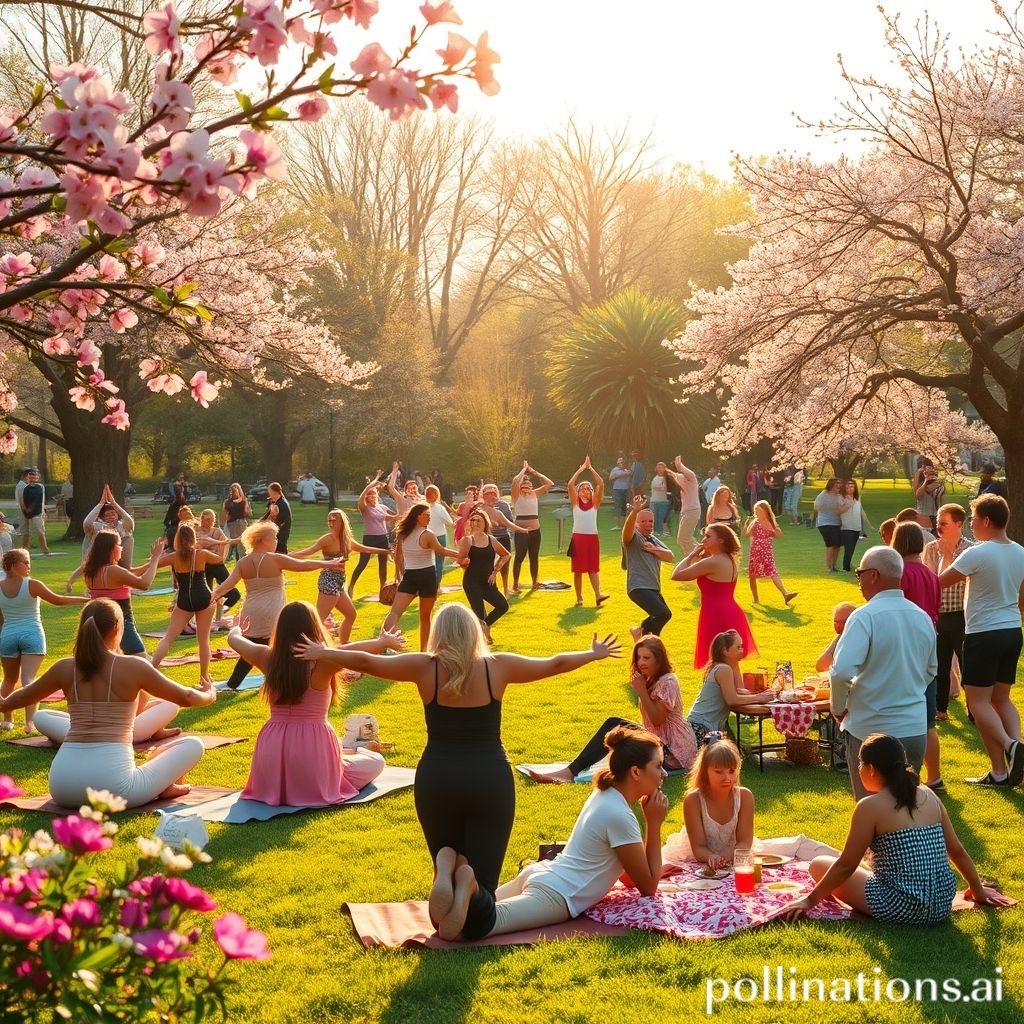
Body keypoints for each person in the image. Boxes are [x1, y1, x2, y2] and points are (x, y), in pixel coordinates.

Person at [292, 602, 623, 941]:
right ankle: (470, 882)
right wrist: (592, 653)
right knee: (482, 908)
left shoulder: (424, 667)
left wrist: (324, 651)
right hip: (489, 779)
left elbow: (367, 662)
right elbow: (554, 663)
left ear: (438, 633)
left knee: (444, 883)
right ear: (474, 632)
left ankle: (446, 864)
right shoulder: (498, 667)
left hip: (437, 779)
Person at [430, 725, 668, 941]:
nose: (664, 774)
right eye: (658, 766)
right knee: (485, 923)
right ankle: (468, 885)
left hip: (544, 873)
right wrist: (654, 824)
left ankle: (454, 875)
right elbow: (647, 886)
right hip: (556, 895)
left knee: (449, 920)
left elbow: (628, 877)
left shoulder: (605, 794)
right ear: (635, 772)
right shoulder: (620, 815)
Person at [0, 600, 216, 807]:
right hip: (114, 790)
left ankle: (161, 785)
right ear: (117, 628)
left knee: (47, 716)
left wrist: (3, 703)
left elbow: (17, 699)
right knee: (193, 744)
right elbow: (186, 697)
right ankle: (161, 785)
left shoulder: (64, 667)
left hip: (62, 786)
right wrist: (210, 695)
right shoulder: (134, 666)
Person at [781, 734, 1009, 924]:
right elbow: (956, 850)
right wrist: (977, 890)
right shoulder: (928, 795)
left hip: (900, 906)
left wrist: (809, 901)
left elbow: (846, 865)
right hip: (941, 905)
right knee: (863, 867)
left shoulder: (869, 806)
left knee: (820, 863)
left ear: (870, 769)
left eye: (860, 764)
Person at [226, 601, 396, 805]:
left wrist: (237, 627)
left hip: (272, 746)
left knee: (351, 761)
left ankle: (349, 752)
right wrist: (382, 642)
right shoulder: (324, 661)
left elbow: (234, 639)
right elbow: (354, 653)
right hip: (313, 747)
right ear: (314, 626)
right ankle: (355, 750)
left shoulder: (266, 657)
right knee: (376, 762)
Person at [830, 546, 936, 799]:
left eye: (859, 573)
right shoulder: (921, 616)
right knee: (906, 810)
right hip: (913, 727)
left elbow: (841, 671)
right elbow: (931, 669)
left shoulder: (864, 616)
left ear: (874, 575)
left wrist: (837, 707)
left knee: (872, 810)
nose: (858, 581)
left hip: (871, 729)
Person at [528, 634, 698, 782]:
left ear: (659, 660)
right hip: (658, 739)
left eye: (647, 658)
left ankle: (569, 772)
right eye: (638, 658)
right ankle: (571, 771)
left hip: (673, 750)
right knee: (617, 728)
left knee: (614, 724)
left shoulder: (668, 682)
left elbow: (657, 719)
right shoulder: (650, 678)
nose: (641, 663)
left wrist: (641, 691)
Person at [939, 494, 1024, 787]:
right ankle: (1001, 771)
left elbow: (939, 583)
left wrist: (948, 552)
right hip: (1012, 631)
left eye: (973, 519)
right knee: (1001, 699)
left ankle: (1012, 747)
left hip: (983, 634)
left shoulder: (977, 552)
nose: (971, 525)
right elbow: (1022, 600)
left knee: (977, 703)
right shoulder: (1020, 552)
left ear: (987, 520)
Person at [210, 521, 344, 690]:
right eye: (274, 538)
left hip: (250, 613)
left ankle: (234, 683)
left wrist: (213, 595)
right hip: (273, 613)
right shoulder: (274, 559)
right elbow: (305, 565)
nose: (276, 541)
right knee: (279, 647)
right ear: (262, 540)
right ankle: (293, 679)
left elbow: (227, 585)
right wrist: (328, 564)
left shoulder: (243, 562)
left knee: (253, 648)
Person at [0, 549, 88, 733]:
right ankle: (30, 722)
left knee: (9, 679)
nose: (29, 565)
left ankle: (7, 720)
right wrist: (85, 600)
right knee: (28, 679)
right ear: (13, 566)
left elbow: (1, 619)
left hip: (7, 636)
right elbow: (58, 600)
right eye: (25, 562)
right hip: (32, 634)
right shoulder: (32, 584)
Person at [891, 522, 943, 792]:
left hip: (906, 645)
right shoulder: (931, 574)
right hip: (929, 641)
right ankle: (935, 777)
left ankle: (905, 774)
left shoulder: (900, 574)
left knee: (904, 713)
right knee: (928, 717)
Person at [673, 524, 759, 669]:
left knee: (717, 661)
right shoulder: (729, 559)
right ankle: (733, 690)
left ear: (721, 540)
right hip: (730, 611)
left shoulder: (712, 562)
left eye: (708, 536)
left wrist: (692, 554)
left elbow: (677, 575)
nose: (703, 540)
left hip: (716, 614)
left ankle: (722, 690)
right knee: (730, 663)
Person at [292, 509, 382, 643]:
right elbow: (308, 551)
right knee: (318, 619)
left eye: (334, 520)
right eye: (330, 520)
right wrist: (287, 556)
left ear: (341, 522)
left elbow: (365, 549)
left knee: (351, 614)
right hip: (329, 580)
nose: (331, 522)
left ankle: (344, 644)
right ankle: (301, 644)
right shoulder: (327, 539)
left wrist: (386, 551)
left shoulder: (346, 540)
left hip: (339, 581)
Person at [662, 736, 753, 868]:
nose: (727, 777)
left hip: (735, 855)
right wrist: (711, 857)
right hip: (698, 857)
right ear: (705, 772)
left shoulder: (745, 796)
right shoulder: (693, 801)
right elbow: (698, 847)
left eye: (731, 771)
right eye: (718, 772)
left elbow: (744, 842)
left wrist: (723, 858)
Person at [150, 522, 224, 685]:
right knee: (203, 641)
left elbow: (147, 567)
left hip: (184, 600)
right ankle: (204, 678)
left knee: (169, 638)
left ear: (177, 539)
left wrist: (130, 570)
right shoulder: (201, 554)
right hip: (203, 597)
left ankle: (151, 669)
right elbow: (221, 559)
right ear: (193, 538)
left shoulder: (172, 557)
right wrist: (219, 543)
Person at [70, 531, 164, 657]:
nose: (122, 548)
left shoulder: (91, 570)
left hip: (99, 621)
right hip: (119, 622)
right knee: (142, 660)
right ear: (111, 549)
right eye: (119, 544)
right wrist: (155, 560)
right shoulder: (112, 570)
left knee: (113, 660)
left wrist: (152, 563)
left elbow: (129, 576)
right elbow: (144, 584)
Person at [381, 502, 460, 650]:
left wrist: (400, 574)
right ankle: (423, 651)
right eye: (426, 515)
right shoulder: (427, 534)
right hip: (427, 576)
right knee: (424, 617)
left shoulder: (403, 533)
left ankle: (383, 645)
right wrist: (462, 555)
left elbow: (398, 556)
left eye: (429, 515)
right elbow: (442, 551)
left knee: (395, 612)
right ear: (417, 516)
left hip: (410, 576)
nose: (429, 518)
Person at [923, 503, 973, 721]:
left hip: (962, 615)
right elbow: (929, 583)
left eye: (944, 523)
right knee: (939, 665)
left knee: (966, 665)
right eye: (937, 523)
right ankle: (940, 709)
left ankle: (974, 712)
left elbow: (962, 582)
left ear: (959, 524)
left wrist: (948, 556)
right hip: (938, 615)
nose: (939, 528)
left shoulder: (971, 550)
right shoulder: (931, 549)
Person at [685, 629, 777, 744]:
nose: (742, 651)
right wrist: (760, 697)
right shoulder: (723, 669)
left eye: (742, 647)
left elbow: (738, 691)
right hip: (701, 729)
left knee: (730, 750)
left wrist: (757, 694)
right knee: (726, 752)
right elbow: (732, 700)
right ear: (725, 651)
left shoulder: (721, 667)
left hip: (705, 727)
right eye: (738, 647)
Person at [621, 496, 674, 640]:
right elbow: (626, 531)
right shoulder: (634, 537)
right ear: (637, 524)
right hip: (638, 586)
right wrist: (634, 511)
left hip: (654, 587)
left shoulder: (654, 540)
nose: (648, 524)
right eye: (643, 521)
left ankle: (645, 638)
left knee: (663, 615)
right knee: (662, 613)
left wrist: (653, 549)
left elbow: (670, 556)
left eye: (650, 521)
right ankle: (643, 636)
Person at [815, 602, 858, 771]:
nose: (838, 626)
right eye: (835, 622)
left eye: (843, 622)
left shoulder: (858, 639)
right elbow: (820, 665)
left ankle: (842, 756)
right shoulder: (841, 638)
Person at [456, 509, 510, 643]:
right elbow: (460, 561)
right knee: (479, 613)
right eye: (472, 520)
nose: (475, 522)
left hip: (488, 582)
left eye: (478, 520)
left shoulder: (491, 540)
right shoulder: (467, 540)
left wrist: (495, 571)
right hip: (471, 582)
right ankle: (482, 637)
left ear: (485, 523)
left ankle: (483, 627)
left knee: (503, 606)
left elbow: (506, 555)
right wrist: (464, 562)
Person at [567, 457, 608, 607]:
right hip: (578, 538)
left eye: (589, 488)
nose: (586, 490)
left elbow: (601, 483)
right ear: (578, 492)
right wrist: (581, 469)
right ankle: (579, 598)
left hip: (592, 538)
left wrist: (590, 469)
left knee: (593, 568)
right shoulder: (575, 502)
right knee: (578, 570)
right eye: (583, 488)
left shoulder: (595, 503)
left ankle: (598, 595)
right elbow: (570, 484)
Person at [742, 500, 797, 605]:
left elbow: (780, 535)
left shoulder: (771, 522)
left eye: (759, 511)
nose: (757, 513)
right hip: (756, 551)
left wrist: (773, 528)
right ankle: (756, 598)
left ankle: (785, 594)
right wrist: (746, 524)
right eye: (756, 511)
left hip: (767, 551)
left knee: (772, 571)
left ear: (765, 511)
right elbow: (745, 534)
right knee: (753, 574)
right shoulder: (755, 522)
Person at [510, 461, 553, 592]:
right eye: (525, 485)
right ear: (520, 487)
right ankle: (515, 584)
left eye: (530, 486)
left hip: (535, 530)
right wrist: (524, 470)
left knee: (534, 556)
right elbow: (515, 481)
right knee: (520, 556)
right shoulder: (516, 496)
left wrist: (534, 472)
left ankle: (535, 582)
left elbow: (549, 483)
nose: (528, 488)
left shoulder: (534, 494)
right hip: (521, 530)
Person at [348, 473, 392, 598]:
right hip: (370, 539)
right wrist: (376, 479)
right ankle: (351, 586)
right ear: (366, 497)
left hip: (383, 538)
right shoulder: (365, 507)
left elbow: (390, 517)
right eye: (370, 494)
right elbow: (362, 496)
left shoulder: (381, 507)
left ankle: (382, 591)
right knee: (362, 564)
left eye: (374, 493)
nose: (372, 495)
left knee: (383, 566)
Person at [195, 509, 240, 629]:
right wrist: (218, 543)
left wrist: (223, 549)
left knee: (235, 594)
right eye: (208, 519)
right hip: (203, 567)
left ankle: (219, 615)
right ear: (202, 519)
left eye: (213, 519)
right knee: (206, 597)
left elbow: (226, 542)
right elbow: (202, 542)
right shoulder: (196, 531)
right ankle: (204, 621)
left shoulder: (217, 531)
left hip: (217, 565)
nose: (210, 522)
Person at [479, 483, 526, 596]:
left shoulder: (503, 506)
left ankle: (505, 590)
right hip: (488, 539)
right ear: (484, 495)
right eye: (488, 492)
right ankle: (488, 589)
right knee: (487, 565)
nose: (491, 495)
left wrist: (499, 523)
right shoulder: (480, 508)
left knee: (505, 565)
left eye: (493, 492)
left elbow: (509, 522)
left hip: (503, 537)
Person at [82, 485, 136, 568]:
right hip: (99, 564)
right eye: (107, 515)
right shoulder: (99, 527)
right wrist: (101, 504)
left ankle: (125, 570)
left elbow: (130, 524)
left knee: (129, 538)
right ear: (102, 518)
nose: (111, 516)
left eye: (113, 514)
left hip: (119, 563)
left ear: (117, 515)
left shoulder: (121, 525)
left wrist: (114, 503)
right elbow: (87, 523)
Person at [813, 478, 850, 572]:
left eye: (839, 485)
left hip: (837, 523)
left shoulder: (839, 496)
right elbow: (816, 507)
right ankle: (829, 567)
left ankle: (834, 566)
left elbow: (842, 509)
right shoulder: (823, 495)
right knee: (831, 544)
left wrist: (846, 507)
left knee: (838, 545)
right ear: (831, 486)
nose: (838, 487)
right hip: (825, 523)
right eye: (836, 485)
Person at [666, 457, 702, 555]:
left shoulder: (692, 477)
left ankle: (695, 557)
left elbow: (679, 466)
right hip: (686, 511)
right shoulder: (681, 478)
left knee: (683, 538)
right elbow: (673, 474)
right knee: (684, 538)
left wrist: (678, 460)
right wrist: (665, 469)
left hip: (692, 510)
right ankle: (700, 554)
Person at [839, 479, 872, 572]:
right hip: (846, 527)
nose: (849, 488)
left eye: (852, 486)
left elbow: (861, 511)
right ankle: (846, 568)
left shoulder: (857, 498)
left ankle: (848, 565)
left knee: (852, 548)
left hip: (856, 527)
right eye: (848, 486)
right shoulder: (842, 498)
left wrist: (869, 525)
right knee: (848, 548)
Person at [425, 484, 455, 584]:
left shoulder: (422, 506)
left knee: (428, 563)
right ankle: (436, 586)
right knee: (439, 563)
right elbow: (449, 522)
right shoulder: (440, 508)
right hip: (439, 536)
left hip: (426, 536)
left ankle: (428, 584)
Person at [19, 468, 50, 556]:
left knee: (40, 531)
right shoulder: (25, 489)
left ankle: (45, 550)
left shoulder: (39, 487)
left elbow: (39, 500)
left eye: (34, 478)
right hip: (30, 515)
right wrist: (26, 511)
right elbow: (23, 500)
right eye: (30, 478)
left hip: (38, 514)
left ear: (37, 478)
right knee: (32, 532)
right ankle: (28, 550)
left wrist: (42, 511)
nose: (32, 480)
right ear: (27, 479)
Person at [221, 482, 251, 563]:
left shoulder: (244, 501)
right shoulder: (228, 502)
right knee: (233, 542)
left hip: (242, 523)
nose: (233, 491)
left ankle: (242, 560)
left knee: (242, 542)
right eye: (232, 489)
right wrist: (222, 525)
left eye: (235, 489)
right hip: (232, 524)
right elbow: (224, 514)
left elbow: (248, 513)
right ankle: (229, 556)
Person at [262, 482, 292, 553]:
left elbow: (281, 522)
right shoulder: (275, 502)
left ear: (273, 491)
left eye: (269, 490)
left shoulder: (282, 504)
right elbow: (267, 516)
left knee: (280, 553)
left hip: (281, 534)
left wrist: (270, 529)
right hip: (276, 533)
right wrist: (260, 524)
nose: (268, 492)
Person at [915, 463, 945, 532]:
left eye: (932, 469)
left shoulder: (939, 484)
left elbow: (940, 500)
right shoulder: (921, 485)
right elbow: (918, 496)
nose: (931, 471)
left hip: (936, 517)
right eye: (928, 469)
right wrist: (926, 481)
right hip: (924, 518)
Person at [163, 481, 188, 549]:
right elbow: (166, 521)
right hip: (176, 528)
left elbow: (166, 521)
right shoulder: (175, 506)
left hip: (182, 528)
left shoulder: (184, 506)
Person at [649, 462, 672, 537]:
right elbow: (659, 488)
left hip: (663, 501)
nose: (659, 469)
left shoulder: (667, 478)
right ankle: (654, 533)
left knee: (661, 518)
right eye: (658, 467)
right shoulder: (655, 478)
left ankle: (660, 533)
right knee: (654, 519)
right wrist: (662, 487)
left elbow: (665, 488)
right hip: (654, 501)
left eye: (661, 467)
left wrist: (663, 485)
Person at [608, 456, 631, 528]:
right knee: (617, 506)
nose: (622, 463)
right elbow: (610, 478)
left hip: (625, 490)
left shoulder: (626, 470)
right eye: (620, 461)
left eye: (622, 462)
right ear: (617, 463)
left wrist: (627, 474)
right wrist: (620, 474)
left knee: (624, 507)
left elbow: (628, 478)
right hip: (617, 490)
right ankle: (616, 525)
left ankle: (624, 525)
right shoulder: (615, 470)